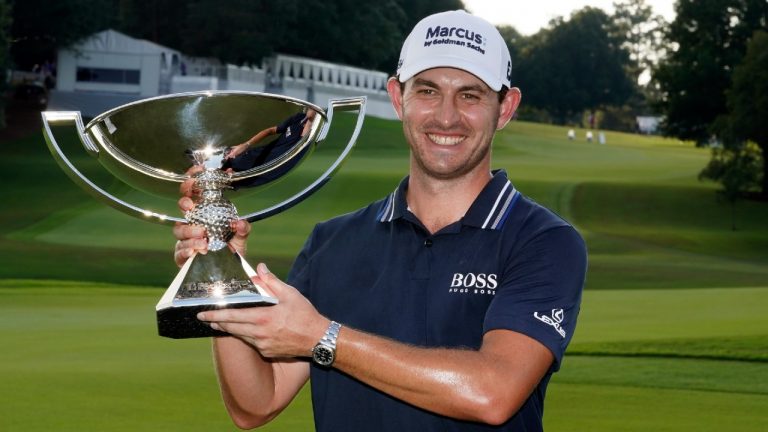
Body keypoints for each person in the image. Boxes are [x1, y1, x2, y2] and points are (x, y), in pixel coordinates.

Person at [174, 10, 586, 431]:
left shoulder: (544, 241)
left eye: (470, 95)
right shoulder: (333, 242)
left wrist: (324, 337)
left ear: (505, 108)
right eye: (427, 91)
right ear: (396, 97)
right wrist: (221, 270)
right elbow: (255, 404)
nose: (446, 117)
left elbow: (493, 392)